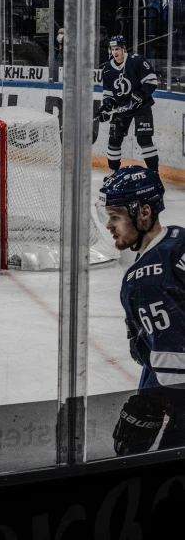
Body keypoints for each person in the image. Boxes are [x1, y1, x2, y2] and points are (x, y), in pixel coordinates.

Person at [98, 167, 185, 454]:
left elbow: (174, 367)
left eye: (116, 216)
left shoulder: (145, 283)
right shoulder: (178, 237)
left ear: (144, 212)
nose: (109, 226)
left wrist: (152, 405)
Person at [98, 35, 159, 178]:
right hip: (122, 107)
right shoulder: (107, 69)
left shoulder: (136, 60)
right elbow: (108, 95)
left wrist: (141, 95)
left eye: (117, 49)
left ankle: (154, 174)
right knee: (114, 139)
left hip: (141, 106)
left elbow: (152, 81)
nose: (115, 53)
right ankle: (113, 174)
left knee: (144, 139)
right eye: (112, 49)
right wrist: (106, 107)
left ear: (124, 48)